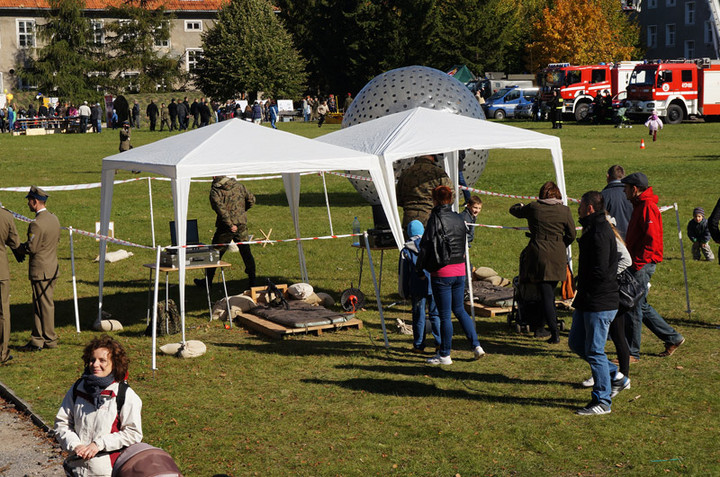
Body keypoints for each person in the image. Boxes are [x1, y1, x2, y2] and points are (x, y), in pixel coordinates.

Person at [569, 191, 629, 415]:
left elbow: (603, 270)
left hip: (600, 301)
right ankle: (616, 375)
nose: (578, 209)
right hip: (586, 298)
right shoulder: (592, 228)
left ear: (590, 208)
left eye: (581, 206)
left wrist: (586, 282)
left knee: (595, 351)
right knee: (576, 343)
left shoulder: (601, 232)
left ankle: (602, 401)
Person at [55, 336, 143, 477]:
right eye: (92, 360)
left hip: (107, 471)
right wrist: (75, 445)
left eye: (102, 360)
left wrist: (99, 444)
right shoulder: (78, 388)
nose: (95, 364)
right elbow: (62, 423)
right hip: (75, 469)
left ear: (115, 364)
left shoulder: (124, 395)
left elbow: (133, 433)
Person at [418, 186, 485, 365]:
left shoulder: (435, 218)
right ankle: (476, 345)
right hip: (460, 270)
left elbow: (425, 246)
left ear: (435, 200)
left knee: (445, 315)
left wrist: (420, 270)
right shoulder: (459, 217)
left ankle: (445, 354)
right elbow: (465, 241)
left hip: (443, 272)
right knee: (460, 310)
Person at [621, 172, 685, 360]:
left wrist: (637, 264)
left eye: (626, 188)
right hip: (640, 262)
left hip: (643, 264)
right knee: (641, 304)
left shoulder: (647, 207)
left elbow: (652, 240)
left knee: (632, 306)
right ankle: (673, 338)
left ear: (634, 189)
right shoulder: (640, 205)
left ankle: (632, 353)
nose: (624, 191)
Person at [510, 181, 576, 343]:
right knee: (547, 293)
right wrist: (560, 245)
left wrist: (519, 205)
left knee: (546, 295)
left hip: (538, 254)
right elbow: (572, 234)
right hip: (557, 255)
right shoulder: (564, 210)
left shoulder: (534, 208)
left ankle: (553, 332)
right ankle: (540, 327)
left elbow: (515, 211)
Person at [17, 186, 61, 352]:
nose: (28, 204)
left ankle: (43, 340)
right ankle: (42, 337)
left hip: (40, 270)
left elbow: (31, 248)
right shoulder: (53, 219)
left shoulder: (36, 224)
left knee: (41, 305)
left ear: (35, 201)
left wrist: (17, 248)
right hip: (52, 267)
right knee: (46, 304)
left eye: (29, 200)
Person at [195, 176, 256, 289]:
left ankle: (207, 282)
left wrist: (230, 224)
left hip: (226, 227)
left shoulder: (216, 190)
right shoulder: (239, 186)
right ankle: (252, 282)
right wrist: (241, 213)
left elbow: (220, 209)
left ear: (214, 176)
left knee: (214, 253)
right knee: (246, 252)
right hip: (241, 224)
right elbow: (251, 200)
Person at [399, 220, 440, 354]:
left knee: (418, 316)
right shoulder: (432, 245)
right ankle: (440, 343)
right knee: (435, 314)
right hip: (433, 284)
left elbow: (404, 274)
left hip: (417, 287)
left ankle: (418, 345)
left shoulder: (406, 251)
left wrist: (404, 291)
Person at [396, 155, 453, 234]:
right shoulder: (438, 173)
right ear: (433, 157)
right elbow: (450, 196)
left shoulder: (406, 173)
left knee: (411, 245)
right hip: (431, 219)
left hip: (409, 220)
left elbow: (398, 198)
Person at [0, 203, 21, 364]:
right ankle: (2, 352)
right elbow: (14, 241)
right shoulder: (6, 216)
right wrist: (18, 252)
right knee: (3, 311)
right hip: (1, 271)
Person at [601, 165, 633, 239]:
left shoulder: (603, 195)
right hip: (632, 238)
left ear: (608, 176)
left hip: (613, 240)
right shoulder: (631, 194)